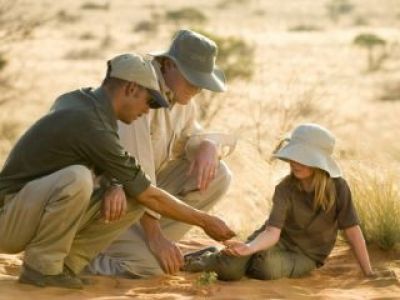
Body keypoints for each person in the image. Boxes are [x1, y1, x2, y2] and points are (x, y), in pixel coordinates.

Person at [0, 53, 235, 289]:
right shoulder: (90, 122)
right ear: (131, 89)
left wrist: (115, 183)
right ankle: (41, 268)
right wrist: (205, 221)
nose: (148, 110)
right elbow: (149, 194)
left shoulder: (93, 106)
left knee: (133, 193)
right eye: (149, 101)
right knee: (77, 179)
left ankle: (68, 264)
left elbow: (134, 183)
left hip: (33, 210)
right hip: (9, 220)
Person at [88, 29, 236, 278]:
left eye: (202, 83)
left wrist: (208, 145)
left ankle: (143, 246)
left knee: (219, 175)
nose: (198, 89)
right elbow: (136, 178)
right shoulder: (138, 92)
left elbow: (192, 136)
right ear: (168, 65)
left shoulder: (181, 98)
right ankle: (83, 259)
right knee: (152, 268)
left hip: (137, 201)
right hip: (104, 201)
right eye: (192, 80)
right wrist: (156, 238)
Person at [184, 123, 374, 281]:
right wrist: (249, 248)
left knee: (267, 269)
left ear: (319, 161)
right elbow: (272, 232)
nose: (295, 162)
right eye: (293, 156)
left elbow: (352, 230)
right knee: (229, 271)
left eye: (303, 158)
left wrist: (368, 272)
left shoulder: (338, 188)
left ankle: (247, 259)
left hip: (306, 255)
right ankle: (205, 259)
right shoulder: (285, 188)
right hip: (274, 241)